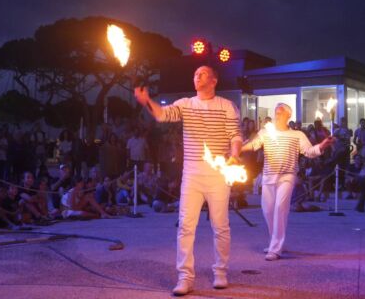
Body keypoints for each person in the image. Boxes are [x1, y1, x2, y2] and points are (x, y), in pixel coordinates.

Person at [134, 65, 242, 295]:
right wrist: (147, 100)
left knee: (220, 226)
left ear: (214, 80)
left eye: (202, 74)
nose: (197, 76)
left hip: (218, 175)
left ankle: (220, 272)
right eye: (194, 74)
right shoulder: (185, 104)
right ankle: (185, 277)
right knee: (185, 226)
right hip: (192, 173)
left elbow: (235, 135)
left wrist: (234, 155)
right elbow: (163, 115)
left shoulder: (226, 106)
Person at [241, 103, 334, 261]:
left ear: (288, 116)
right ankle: (274, 242)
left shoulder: (297, 135)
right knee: (268, 210)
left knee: (279, 208)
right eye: (276, 111)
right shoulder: (265, 132)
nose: (278, 113)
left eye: (281, 111)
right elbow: (254, 145)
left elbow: (309, 152)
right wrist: (238, 149)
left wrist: (322, 145)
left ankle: (275, 248)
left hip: (287, 176)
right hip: (269, 176)